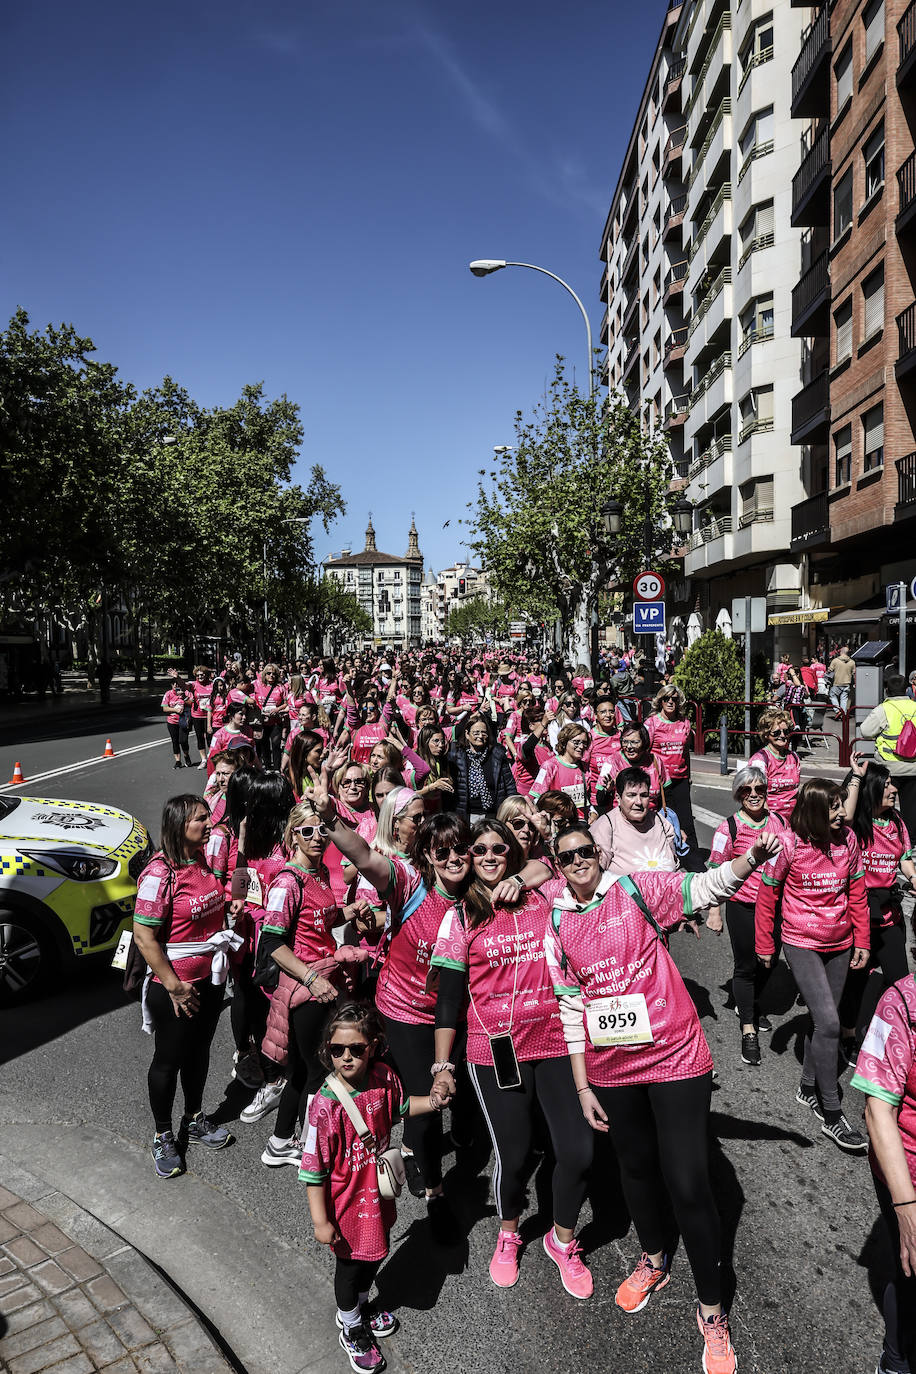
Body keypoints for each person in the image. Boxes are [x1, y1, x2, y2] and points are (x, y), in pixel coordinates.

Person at [545, 822, 780, 1374]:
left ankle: (712, 1312)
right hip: (612, 1065)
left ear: (599, 855)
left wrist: (746, 863)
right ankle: (653, 1258)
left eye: (585, 852)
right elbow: (570, 1006)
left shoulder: (635, 889)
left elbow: (704, 888)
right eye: (567, 856)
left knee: (689, 1181)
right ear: (557, 863)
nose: (578, 861)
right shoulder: (555, 922)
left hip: (673, 1052)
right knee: (636, 1170)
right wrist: (582, 1085)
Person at [431, 819, 595, 1298]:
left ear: (512, 852)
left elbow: (565, 863)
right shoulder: (460, 916)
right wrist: (443, 1067)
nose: (486, 855)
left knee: (579, 1150)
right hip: (495, 1049)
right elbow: (449, 1001)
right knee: (515, 1153)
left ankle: (561, 1240)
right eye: (477, 848)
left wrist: (527, 876)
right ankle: (509, 1233)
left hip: (556, 1040)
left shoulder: (545, 895)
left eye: (497, 848)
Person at [302, 1000, 445, 1374]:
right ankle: (350, 1324)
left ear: (374, 1046)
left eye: (356, 1049)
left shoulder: (384, 1078)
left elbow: (400, 1109)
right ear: (327, 1050)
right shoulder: (324, 1105)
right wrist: (321, 1221)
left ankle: (362, 1304)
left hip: (378, 1195)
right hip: (345, 1203)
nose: (346, 1057)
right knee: (350, 1267)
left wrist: (431, 1101)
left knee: (375, 1253)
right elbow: (313, 1171)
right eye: (337, 1050)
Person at [756, 778, 869, 1151]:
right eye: (834, 807)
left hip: (840, 942)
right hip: (801, 942)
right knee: (831, 1023)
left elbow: (856, 892)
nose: (841, 813)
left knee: (824, 1022)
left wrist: (862, 940)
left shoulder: (848, 840)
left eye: (842, 805)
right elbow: (768, 895)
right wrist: (765, 944)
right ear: (814, 812)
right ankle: (831, 1111)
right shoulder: (789, 844)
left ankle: (807, 1086)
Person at [133, 795, 240, 1178]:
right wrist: (175, 986)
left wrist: (229, 910)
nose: (208, 825)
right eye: (200, 820)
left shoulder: (199, 862)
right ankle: (163, 1135)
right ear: (179, 825)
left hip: (209, 981)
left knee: (199, 1054)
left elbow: (206, 909)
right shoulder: (159, 874)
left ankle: (194, 1119)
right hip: (176, 987)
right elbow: (144, 936)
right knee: (169, 1060)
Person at [258, 801, 367, 1167]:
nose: (317, 838)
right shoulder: (287, 882)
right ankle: (306, 1147)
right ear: (293, 836)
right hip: (307, 986)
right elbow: (271, 942)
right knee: (316, 1069)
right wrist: (312, 978)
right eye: (307, 831)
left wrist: (349, 912)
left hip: (323, 977)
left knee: (307, 1070)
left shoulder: (318, 874)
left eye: (322, 830)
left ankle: (280, 1142)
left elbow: (322, 916)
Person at [849, 973, 916, 1374]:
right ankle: (896, 1360)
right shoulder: (900, 1005)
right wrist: (907, 1213)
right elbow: (877, 1111)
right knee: (910, 1268)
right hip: (906, 1167)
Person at [705, 767, 788, 1066]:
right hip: (742, 905)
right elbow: (714, 872)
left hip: (774, 906)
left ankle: (748, 1004)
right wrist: (714, 911)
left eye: (759, 789)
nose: (753, 795)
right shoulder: (728, 828)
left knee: (768, 961)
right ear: (738, 794)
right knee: (746, 966)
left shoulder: (779, 822)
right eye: (746, 790)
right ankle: (748, 1028)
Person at [838, 753, 916, 1056]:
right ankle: (848, 1035)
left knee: (901, 983)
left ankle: (894, 1042)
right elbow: (845, 814)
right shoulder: (856, 825)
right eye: (887, 785)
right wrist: (856, 776)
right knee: (856, 982)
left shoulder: (896, 822)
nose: (894, 789)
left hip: (888, 913)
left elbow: (905, 860)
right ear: (873, 790)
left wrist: (912, 877)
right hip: (860, 915)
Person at [589, 768, 679, 875]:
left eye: (644, 795)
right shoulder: (605, 826)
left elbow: (673, 858)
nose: (638, 802)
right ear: (618, 798)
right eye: (631, 795)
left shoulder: (661, 822)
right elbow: (594, 873)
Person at [861, 673, 916, 841]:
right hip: (913, 766)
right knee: (911, 806)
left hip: (889, 766)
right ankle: (911, 839)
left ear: (887, 691)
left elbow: (866, 731)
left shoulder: (883, 709)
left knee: (883, 802)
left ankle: (885, 836)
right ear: (907, 689)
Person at [645, 685, 697, 851]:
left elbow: (686, 752)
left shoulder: (685, 723)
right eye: (666, 698)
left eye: (674, 699)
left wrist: (688, 775)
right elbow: (645, 752)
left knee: (686, 820)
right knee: (663, 819)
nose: (670, 702)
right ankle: (664, 853)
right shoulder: (651, 723)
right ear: (660, 701)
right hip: (659, 781)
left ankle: (692, 857)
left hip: (680, 778)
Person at [449, 714, 516, 822]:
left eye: (484, 733)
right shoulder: (456, 756)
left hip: (493, 814)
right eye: (476, 733)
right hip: (465, 815)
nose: (480, 736)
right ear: (467, 734)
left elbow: (509, 784)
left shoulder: (497, 754)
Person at [597, 723, 667, 812]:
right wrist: (607, 790)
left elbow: (667, 794)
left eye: (635, 742)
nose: (629, 747)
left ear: (644, 742)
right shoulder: (611, 761)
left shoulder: (655, 760)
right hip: (621, 820)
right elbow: (600, 801)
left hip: (652, 817)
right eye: (625, 741)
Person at [529, 723, 591, 820]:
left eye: (584, 743)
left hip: (581, 822)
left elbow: (588, 799)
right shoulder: (549, 766)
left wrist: (593, 812)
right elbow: (537, 798)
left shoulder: (586, 768)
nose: (581, 746)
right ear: (565, 742)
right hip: (559, 824)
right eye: (576, 742)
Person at [748, 708, 801, 821]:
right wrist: (771, 823)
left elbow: (796, 791)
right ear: (766, 734)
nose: (782, 735)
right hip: (769, 819)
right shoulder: (760, 760)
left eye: (786, 732)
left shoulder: (794, 758)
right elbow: (756, 796)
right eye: (776, 733)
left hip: (794, 819)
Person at [161, 675, 194, 769]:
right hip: (172, 721)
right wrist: (175, 710)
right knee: (175, 741)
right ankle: (178, 761)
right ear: (171, 685)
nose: (175, 686)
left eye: (177, 684)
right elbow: (164, 708)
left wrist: (183, 696)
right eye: (173, 684)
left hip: (184, 720)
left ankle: (186, 756)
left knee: (183, 740)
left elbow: (192, 704)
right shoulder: (168, 694)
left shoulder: (186, 693)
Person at [827, 644, 856, 718]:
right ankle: (843, 713)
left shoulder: (835, 661)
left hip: (837, 683)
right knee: (844, 699)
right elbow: (854, 673)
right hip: (847, 684)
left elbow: (829, 671)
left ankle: (838, 711)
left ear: (841, 652)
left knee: (832, 695)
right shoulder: (852, 662)